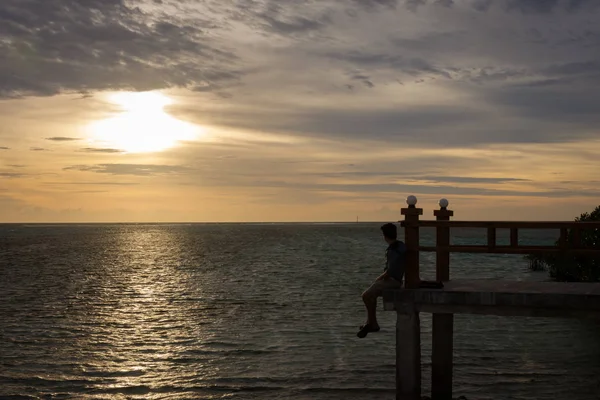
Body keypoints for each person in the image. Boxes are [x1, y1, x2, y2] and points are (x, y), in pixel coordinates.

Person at [357, 223, 406, 338]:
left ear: (385, 236)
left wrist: (381, 277)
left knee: (366, 295)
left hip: (393, 281)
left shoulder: (393, 250)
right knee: (371, 294)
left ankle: (372, 323)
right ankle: (370, 322)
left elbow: (391, 270)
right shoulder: (401, 246)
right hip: (396, 279)